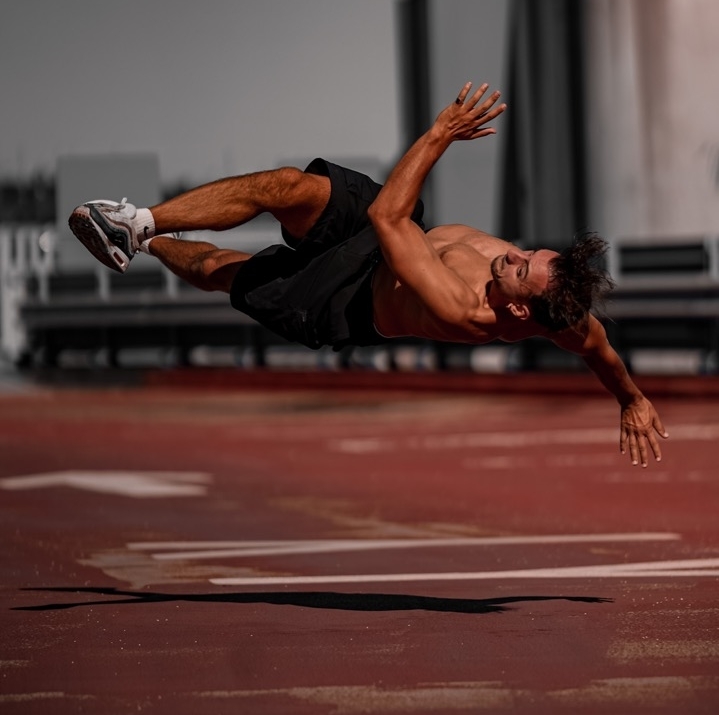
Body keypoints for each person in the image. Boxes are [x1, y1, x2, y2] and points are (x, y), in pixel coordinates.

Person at [69, 81, 668, 467]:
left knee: (221, 270)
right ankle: (137, 223)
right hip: (397, 238)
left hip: (343, 299)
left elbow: (387, 216)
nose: (512, 255)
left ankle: (152, 245)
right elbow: (602, 352)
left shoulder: (462, 307)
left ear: (516, 308)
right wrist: (633, 400)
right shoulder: (563, 308)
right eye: (528, 253)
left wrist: (440, 134)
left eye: (519, 270)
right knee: (285, 186)